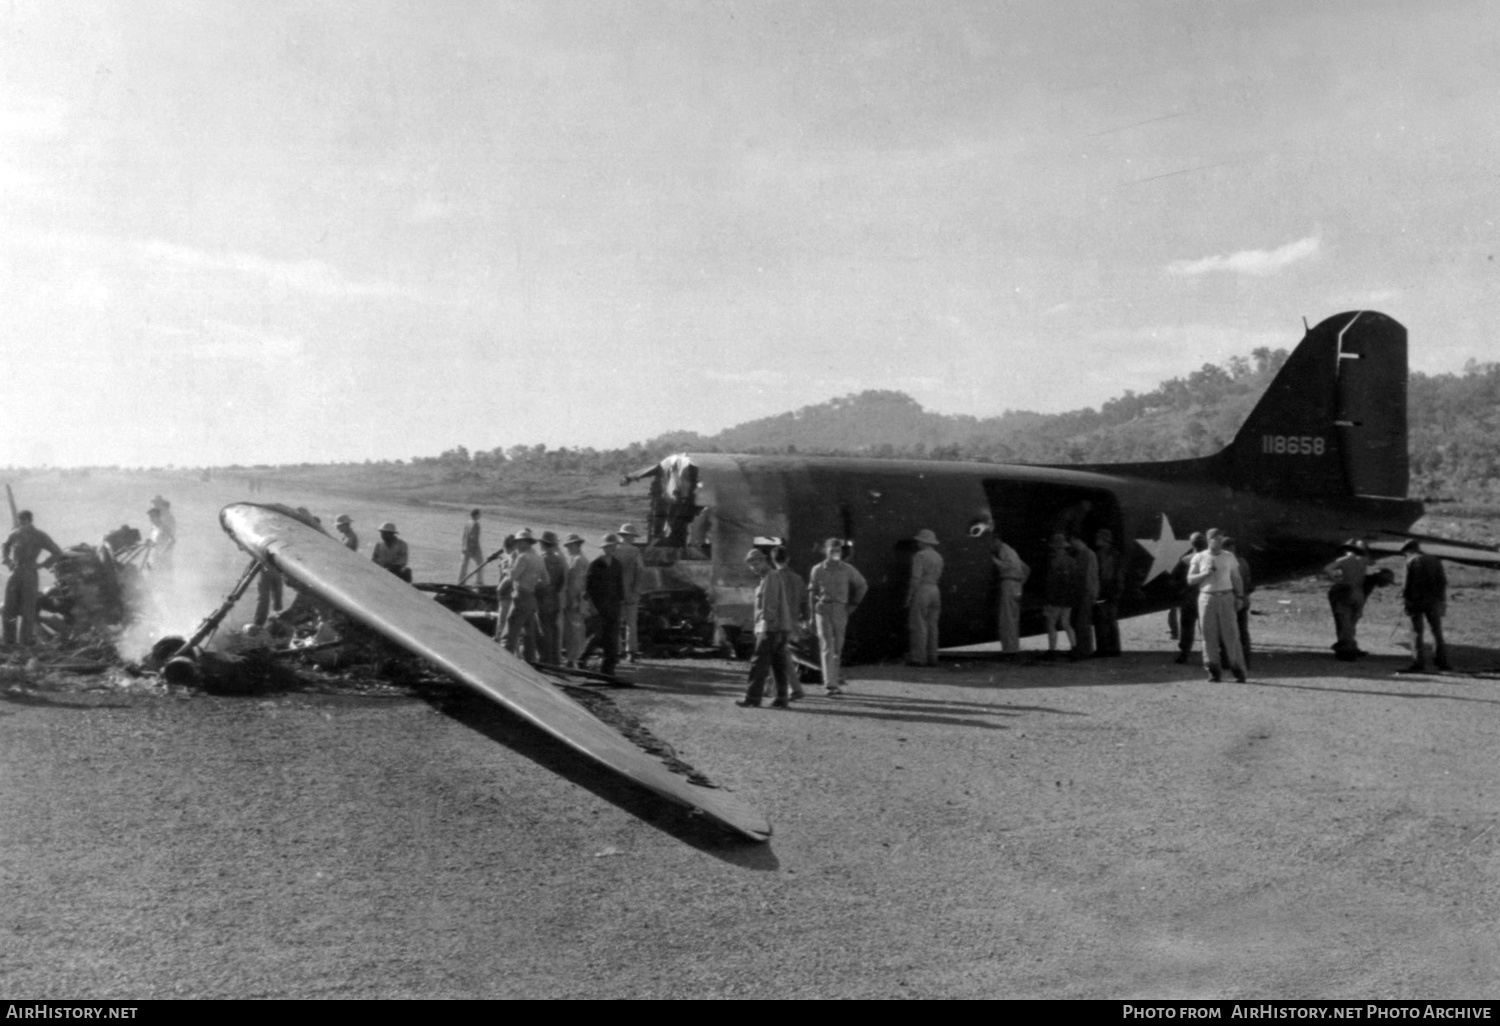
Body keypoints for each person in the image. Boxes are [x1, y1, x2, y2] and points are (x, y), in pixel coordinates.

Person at [736, 547, 798, 709]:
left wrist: (764, 627)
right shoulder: (771, 577)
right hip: (780, 628)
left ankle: (752, 697)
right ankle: (782, 698)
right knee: (779, 664)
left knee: (758, 663)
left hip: (771, 628)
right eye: (751, 565)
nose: (754, 567)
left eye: (756, 563)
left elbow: (769, 604)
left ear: (764, 561)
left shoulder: (770, 578)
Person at [1186, 528, 1247, 683]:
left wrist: (1239, 596)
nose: (1218, 542)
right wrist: (1205, 574)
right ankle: (1213, 670)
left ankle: (1238, 670)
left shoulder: (1229, 556)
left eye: (1220, 539)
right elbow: (1190, 579)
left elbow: (1236, 577)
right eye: (1215, 539)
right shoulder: (1199, 557)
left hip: (1226, 596)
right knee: (1208, 635)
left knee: (1231, 634)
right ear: (1208, 540)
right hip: (1206, 598)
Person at [809, 537, 867, 696]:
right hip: (822, 608)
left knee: (838, 647)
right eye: (832, 550)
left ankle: (833, 680)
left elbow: (862, 585)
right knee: (827, 646)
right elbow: (812, 592)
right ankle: (830, 684)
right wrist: (811, 616)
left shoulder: (847, 569)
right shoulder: (818, 569)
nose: (835, 553)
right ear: (825, 551)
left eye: (838, 550)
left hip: (841, 609)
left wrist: (854, 604)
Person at [2, 510, 65, 646]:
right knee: (8, 608)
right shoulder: (15, 534)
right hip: (15, 573)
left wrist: (42, 564)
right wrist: (6, 560)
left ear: (30, 521)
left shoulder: (40, 536)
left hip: (30, 575)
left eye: (24, 521)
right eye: (20, 521)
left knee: (28, 610)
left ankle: (24, 642)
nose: (22, 524)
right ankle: (9, 642)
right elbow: (5, 545)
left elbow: (57, 552)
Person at [1398, 539, 1449, 673]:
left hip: (1415, 601)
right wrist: (1441, 599)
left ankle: (1418, 662)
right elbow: (1442, 581)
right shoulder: (1435, 560)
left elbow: (1406, 584)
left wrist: (1405, 600)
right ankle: (1441, 661)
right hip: (1433, 601)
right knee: (1436, 631)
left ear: (1408, 550)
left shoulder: (1411, 561)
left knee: (1416, 632)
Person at [771, 546, 810, 701]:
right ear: (788, 559)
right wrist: (806, 621)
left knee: (780, 655)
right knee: (782, 654)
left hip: (777, 623)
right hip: (792, 622)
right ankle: (779, 688)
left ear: (773, 560)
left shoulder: (772, 578)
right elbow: (804, 602)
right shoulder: (798, 579)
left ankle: (793, 689)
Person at [585, 533, 626, 676]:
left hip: (613, 606)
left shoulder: (617, 565)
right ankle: (582, 659)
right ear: (603, 548)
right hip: (598, 606)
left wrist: (622, 606)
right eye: (608, 546)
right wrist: (591, 606)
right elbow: (588, 588)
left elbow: (620, 587)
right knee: (596, 635)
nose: (611, 548)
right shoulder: (595, 564)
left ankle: (609, 667)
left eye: (613, 546)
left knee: (612, 637)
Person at [502, 529, 545, 662]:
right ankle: (530, 662)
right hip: (531, 598)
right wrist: (531, 582)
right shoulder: (538, 558)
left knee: (511, 629)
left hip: (521, 596)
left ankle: (504, 660)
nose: (517, 545)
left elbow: (513, 576)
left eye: (518, 542)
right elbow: (546, 580)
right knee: (529, 634)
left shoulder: (523, 557)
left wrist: (507, 567)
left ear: (525, 543)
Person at [1325, 540, 1368, 661]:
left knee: (1344, 622)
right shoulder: (1363, 561)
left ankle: (1347, 651)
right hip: (1359, 593)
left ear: (1346, 550)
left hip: (1346, 592)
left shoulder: (1342, 561)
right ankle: (1352, 647)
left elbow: (1328, 569)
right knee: (1352, 622)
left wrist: (1338, 579)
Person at [905, 529, 943, 667]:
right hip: (935, 589)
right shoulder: (938, 557)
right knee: (932, 625)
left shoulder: (920, 556)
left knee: (918, 624)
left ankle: (918, 658)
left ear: (922, 542)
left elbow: (916, 577)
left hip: (923, 589)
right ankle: (933, 657)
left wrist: (910, 595)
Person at [991, 532, 1029, 656]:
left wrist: (994, 560)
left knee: (1007, 617)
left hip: (1008, 582)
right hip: (1016, 585)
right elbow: (1026, 569)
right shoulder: (1012, 552)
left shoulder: (1004, 551)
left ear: (996, 541)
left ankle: (1009, 650)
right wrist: (1020, 583)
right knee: (1013, 617)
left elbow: (1008, 565)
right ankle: (1013, 647)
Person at [1173, 532, 1207, 664]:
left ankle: (1184, 654)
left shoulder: (1185, 560)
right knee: (1206, 627)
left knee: (1187, 627)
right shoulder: (1211, 558)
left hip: (1189, 598)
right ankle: (1209, 654)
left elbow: (1176, 579)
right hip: (1206, 597)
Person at [1041, 533, 1077, 659]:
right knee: (1066, 623)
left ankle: (1052, 651)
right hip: (1069, 598)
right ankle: (1074, 648)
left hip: (1056, 599)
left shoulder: (1054, 562)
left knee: (1051, 624)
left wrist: (1048, 600)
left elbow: (1051, 583)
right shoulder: (1072, 561)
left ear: (1055, 548)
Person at [615, 523, 644, 662]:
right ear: (629, 536)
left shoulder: (613, 549)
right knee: (631, 623)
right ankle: (631, 651)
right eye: (632, 536)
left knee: (615, 622)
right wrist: (637, 589)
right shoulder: (635, 551)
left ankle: (617, 650)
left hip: (615, 592)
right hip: (631, 591)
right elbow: (640, 571)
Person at [537, 531, 567, 665]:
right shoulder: (559, 560)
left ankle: (546, 658)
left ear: (543, 544)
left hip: (543, 598)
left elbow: (539, 581)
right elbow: (561, 581)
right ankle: (555, 659)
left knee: (545, 629)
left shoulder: (542, 559)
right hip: (555, 598)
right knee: (554, 629)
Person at [561, 533, 590, 668]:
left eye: (569, 545)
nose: (567, 548)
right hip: (577, 600)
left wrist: (572, 600)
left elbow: (577, 584)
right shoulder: (578, 559)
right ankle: (574, 658)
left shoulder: (578, 560)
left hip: (575, 601)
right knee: (575, 631)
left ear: (576, 545)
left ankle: (575, 659)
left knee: (575, 631)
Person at [1224, 537, 1253, 669]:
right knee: (1243, 632)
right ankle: (1246, 660)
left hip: (1228, 601)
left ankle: (1227, 660)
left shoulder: (1222, 563)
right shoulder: (1243, 562)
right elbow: (1250, 583)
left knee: (1226, 631)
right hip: (1243, 600)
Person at [1092, 528, 1122, 657]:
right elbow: (1119, 575)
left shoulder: (1100, 554)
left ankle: (1102, 649)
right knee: (1111, 621)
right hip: (1113, 589)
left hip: (1104, 589)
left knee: (1101, 620)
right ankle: (1115, 648)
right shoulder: (1116, 554)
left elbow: (1102, 574)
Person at [1070, 535, 1100, 658]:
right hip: (1081, 592)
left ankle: (1085, 650)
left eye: (1073, 541)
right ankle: (1083, 648)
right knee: (1080, 622)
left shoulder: (1087, 554)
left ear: (1078, 540)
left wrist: (1092, 593)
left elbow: (1091, 575)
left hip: (1085, 593)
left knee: (1083, 622)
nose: (1072, 544)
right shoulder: (1082, 554)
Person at [145, 507, 176, 575]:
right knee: (150, 577)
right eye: (150, 516)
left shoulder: (165, 527)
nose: (151, 519)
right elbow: (153, 543)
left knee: (163, 577)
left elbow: (173, 541)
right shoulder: (153, 528)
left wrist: (163, 552)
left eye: (153, 516)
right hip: (153, 558)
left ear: (158, 516)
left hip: (163, 559)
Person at [459, 509, 485, 585]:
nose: (480, 516)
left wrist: (463, 546)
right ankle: (479, 581)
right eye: (480, 514)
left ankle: (461, 582)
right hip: (473, 548)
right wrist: (476, 550)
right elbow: (474, 538)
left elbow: (464, 536)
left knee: (464, 566)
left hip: (465, 547)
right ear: (476, 515)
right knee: (480, 563)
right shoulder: (476, 524)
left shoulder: (467, 523)